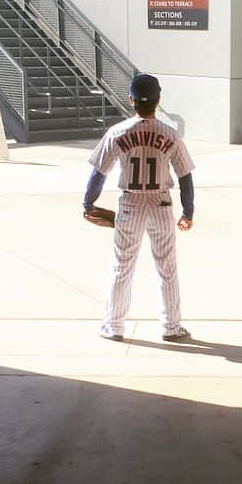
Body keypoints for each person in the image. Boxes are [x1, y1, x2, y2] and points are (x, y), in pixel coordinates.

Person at [83, 73, 195, 342]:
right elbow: (185, 176)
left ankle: (114, 326)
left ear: (131, 99)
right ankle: (171, 327)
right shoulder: (170, 134)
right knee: (167, 268)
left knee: (122, 267)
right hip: (161, 203)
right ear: (159, 100)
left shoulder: (117, 132)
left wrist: (88, 202)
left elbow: (99, 173)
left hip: (130, 203)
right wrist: (188, 212)